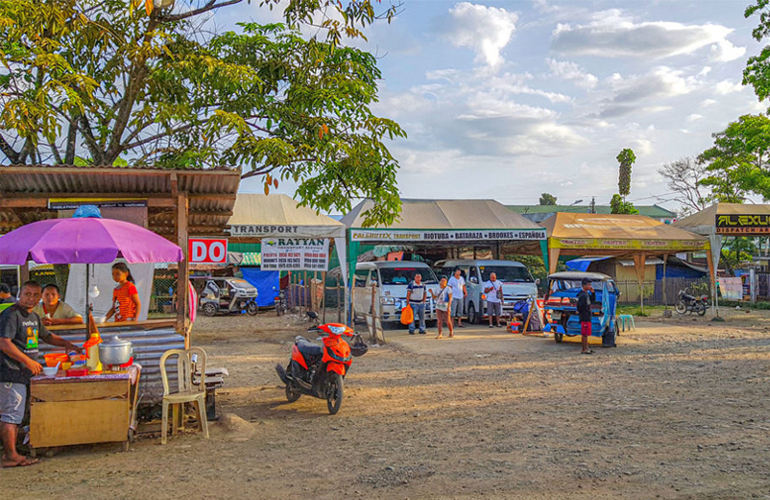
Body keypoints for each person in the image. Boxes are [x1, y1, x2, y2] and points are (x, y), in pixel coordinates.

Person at [0, 281, 82, 467]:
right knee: (11, 413)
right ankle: (10, 456)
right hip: (10, 372)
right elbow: (4, 342)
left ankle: (13, 450)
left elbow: (47, 336)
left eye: (35, 295)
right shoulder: (11, 315)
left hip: (23, 373)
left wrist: (68, 345)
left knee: (17, 413)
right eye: (27, 294)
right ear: (19, 294)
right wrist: (27, 360)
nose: (31, 298)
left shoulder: (33, 316)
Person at [576, 277, 596, 355]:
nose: (590, 286)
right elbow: (579, 306)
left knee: (587, 333)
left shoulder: (587, 294)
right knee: (584, 334)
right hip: (584, 316)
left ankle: (587, 347)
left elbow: (592, 301)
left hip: (587, 316)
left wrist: (593, 293)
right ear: (584, 285)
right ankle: (584, 349)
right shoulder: (582, 295)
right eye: (588, 284)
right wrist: (582, 313)